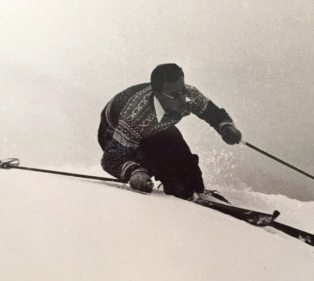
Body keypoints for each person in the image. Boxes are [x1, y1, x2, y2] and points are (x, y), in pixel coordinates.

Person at [98, 63, 242, 201]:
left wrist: (226, 127)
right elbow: (110, 159)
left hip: (157, 126)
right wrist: (134, 172)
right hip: (114, 134)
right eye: (174, 95)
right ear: (158, 95)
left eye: (183, 91)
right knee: (163, 165)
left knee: (185, 162)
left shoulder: (189, 95)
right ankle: (178, 193)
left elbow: (213, 113)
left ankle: (197, 190)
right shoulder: (134, 118)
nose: (182, 99)